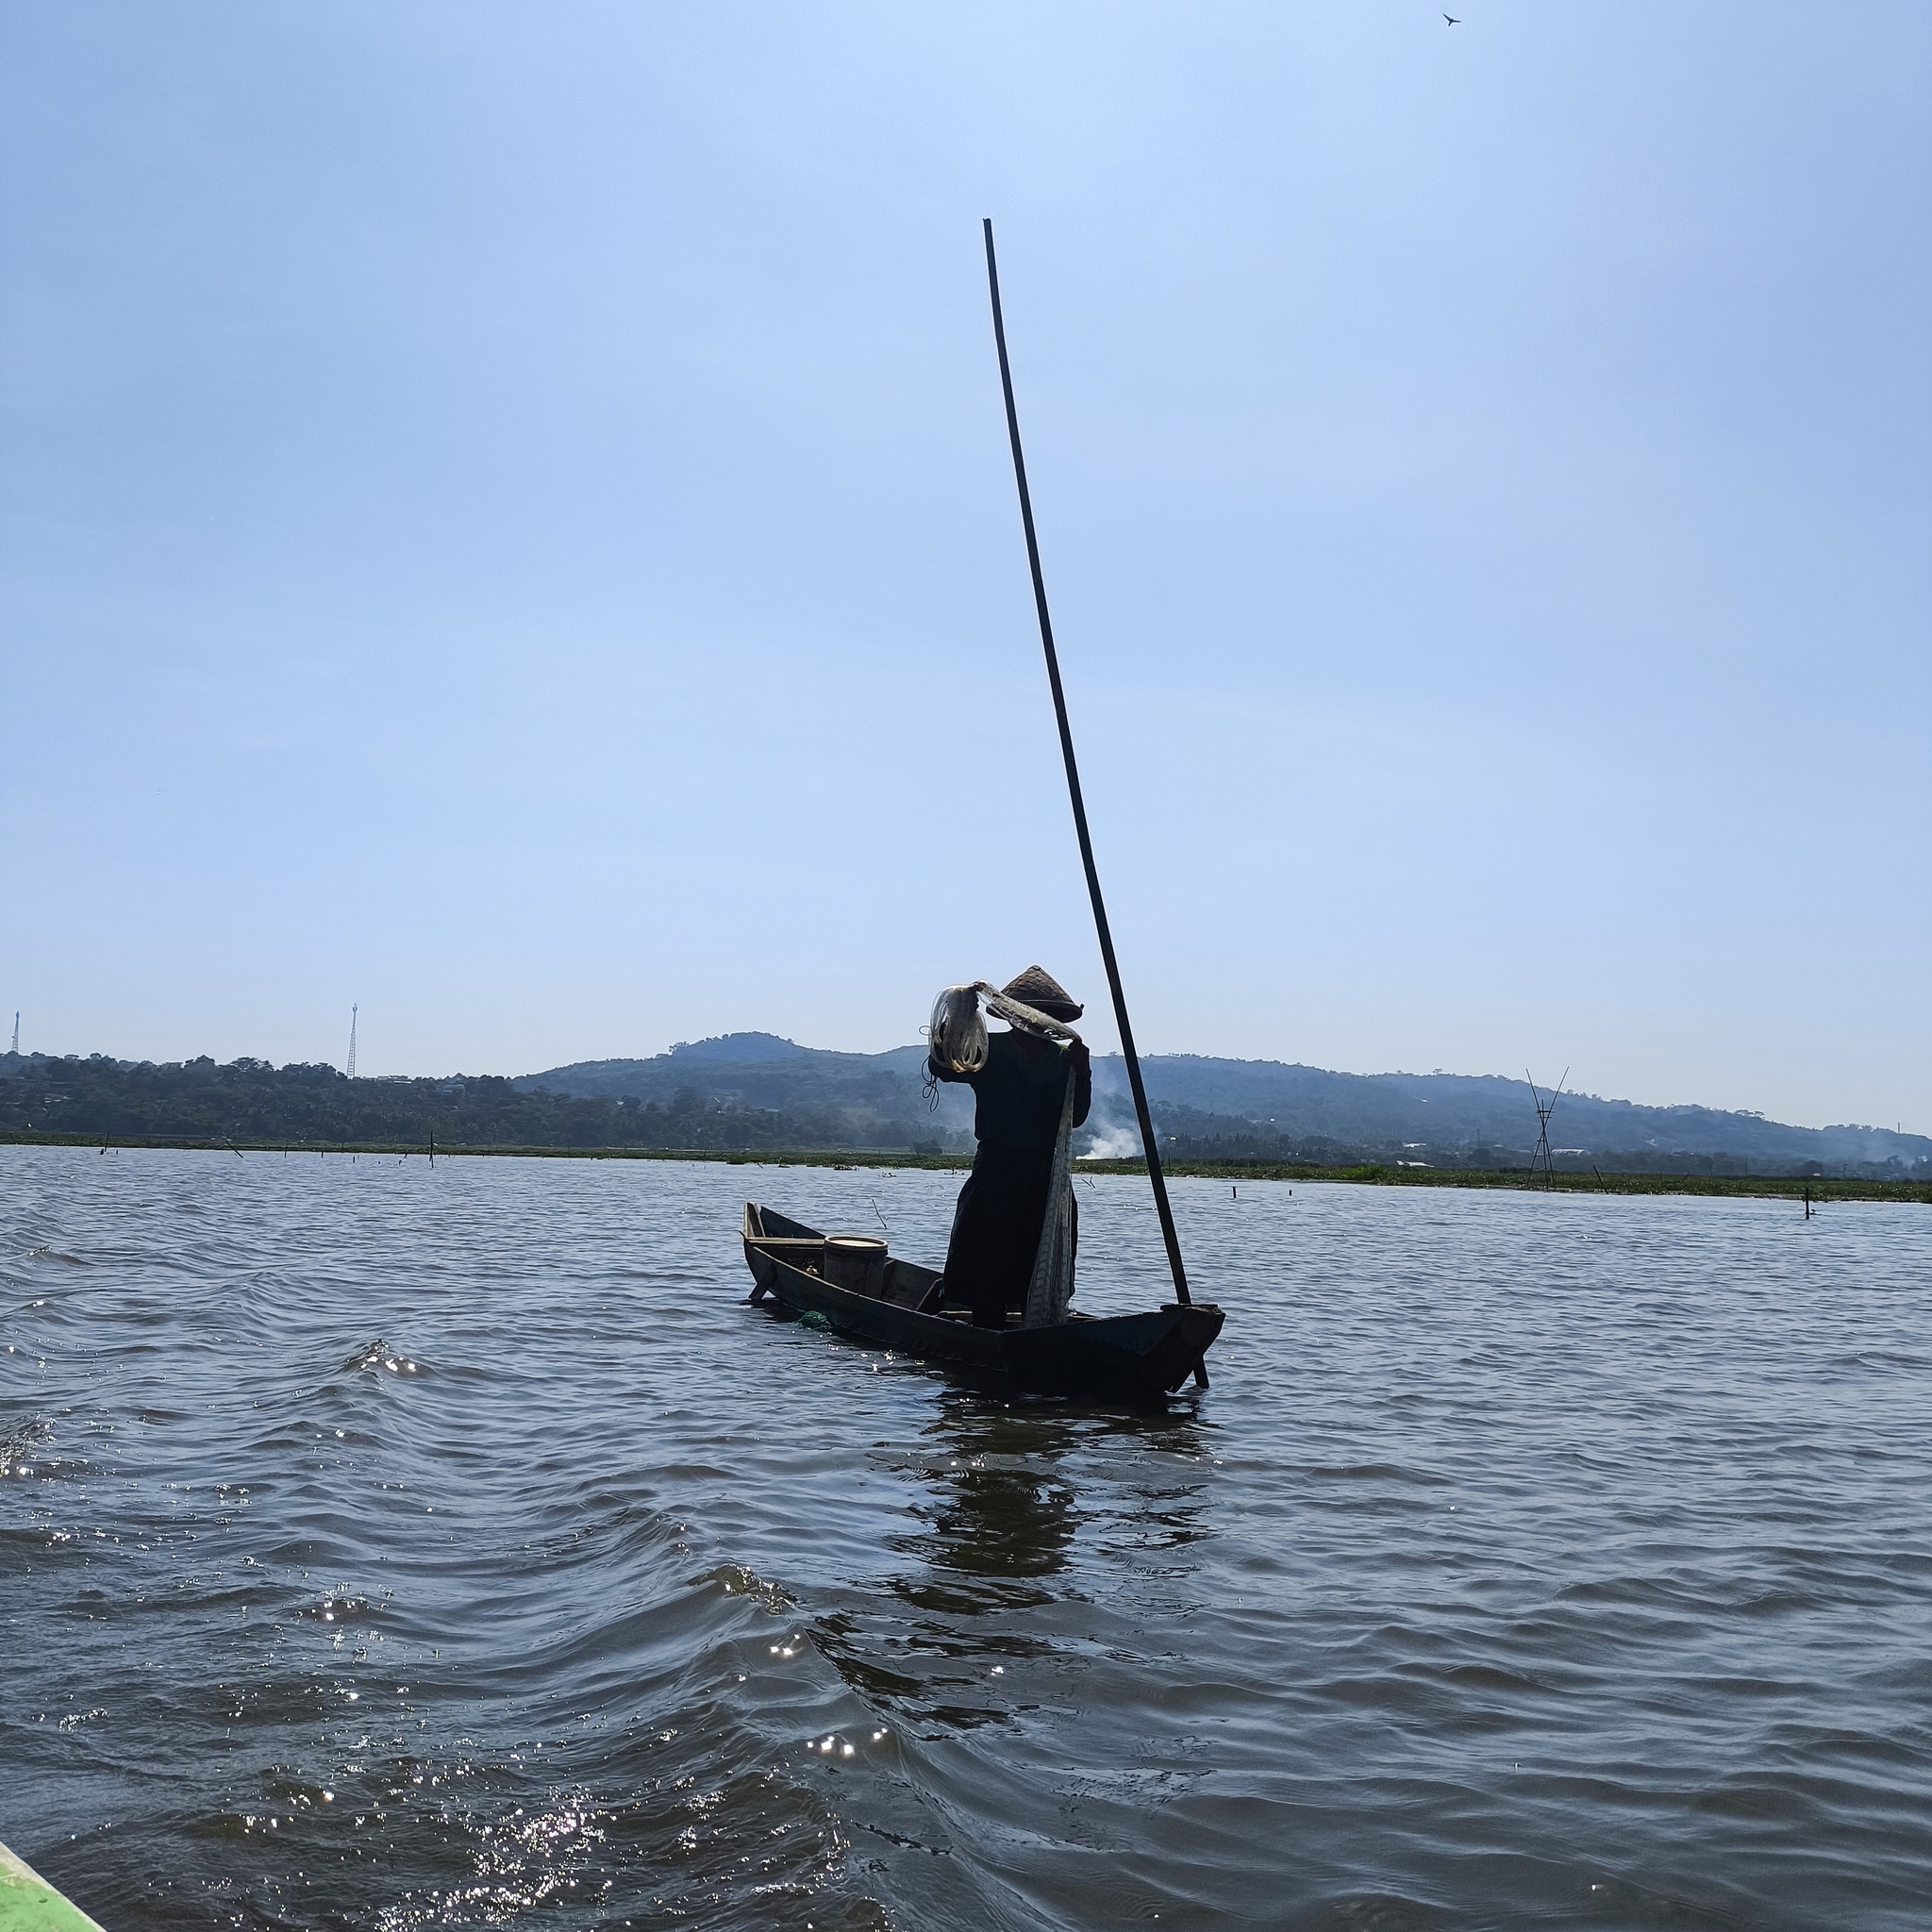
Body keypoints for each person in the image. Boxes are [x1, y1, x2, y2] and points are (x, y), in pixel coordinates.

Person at [928, 966, 1091, 1329]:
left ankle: (1034, 1331)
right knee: (989, 1258)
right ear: (1013, 1015)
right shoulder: (989, 1049)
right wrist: (956, 1018)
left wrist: (1083, 1073)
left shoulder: (1064, 1058)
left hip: (1046, 1175)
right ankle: (988, 1334)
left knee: (1038, 1259)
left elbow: (1075, 1117)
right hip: (999, 1171)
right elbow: (942, 1067)